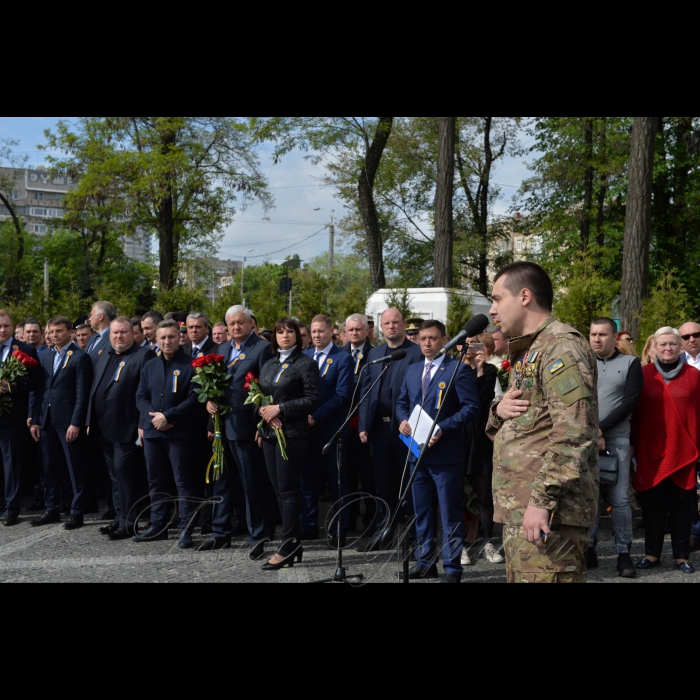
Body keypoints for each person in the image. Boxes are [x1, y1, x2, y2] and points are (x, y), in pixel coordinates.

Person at [486, 261, 599, 584]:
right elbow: (527, 422)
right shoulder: (530, 350)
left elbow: (575, 434)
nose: (493, 310)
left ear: (524, 296)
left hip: (550, 514)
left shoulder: (561, 346)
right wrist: (498, 411)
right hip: (523, 510)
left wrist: (541, 501)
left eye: (497, 299)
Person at [397, 320, 481, 583]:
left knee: (449, 513)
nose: (427, 344)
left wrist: (444, 427)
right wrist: (402, 421)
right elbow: (402, 402)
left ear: (444, 340)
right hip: (417, 454)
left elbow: (471, 407)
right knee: (422, 511)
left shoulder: (457, 369)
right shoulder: (412, 371)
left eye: (432, 338)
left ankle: (452, 568)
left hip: (445, 455)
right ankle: (425, 561)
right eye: (422, 339)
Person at [199, 306, 276, 559]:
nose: (235, 327)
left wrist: (261, 425)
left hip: (246, 427)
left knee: (251, 484)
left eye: (240, 323)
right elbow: (215, 386)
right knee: (221, 483)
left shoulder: (261, 348)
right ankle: (220, 533)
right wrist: (210, 404)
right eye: (231, 323)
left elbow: (266, 389)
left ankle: (258, 535)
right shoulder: (221, 349)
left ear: (251, 323)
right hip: (222, 427)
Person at [632, 327, 700, 575]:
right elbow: (635, 413)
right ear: (654, 348)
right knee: (653, 506)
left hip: (685, 450)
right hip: (651, 452)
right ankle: (651, 554)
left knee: (683, 506)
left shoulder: (694, 376)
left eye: (673, 344)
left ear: (680, 348)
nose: (668, 348)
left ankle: (682, 556)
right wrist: (632, 445)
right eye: (663, 345)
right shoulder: (642, 375)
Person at [256, 318, 322, 571]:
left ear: (297, 335)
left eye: (290, 331)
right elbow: (260, 395)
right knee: (278, 492)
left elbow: (313, 399)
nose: (285, 336)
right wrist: (263, 414)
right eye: (280, 332)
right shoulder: (270, 363)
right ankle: (292, 544)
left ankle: (289, 544)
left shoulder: (306, 363)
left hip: (292, 434)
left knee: (289, 491)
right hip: (270, 434)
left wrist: (281, 409)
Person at [358, 308, 423, 551]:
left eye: (396, 322)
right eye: (387, 323)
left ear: (404, 325)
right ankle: (383, 534)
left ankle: (416, 540)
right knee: (382, 486)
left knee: (410, 486)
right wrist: (363, 425)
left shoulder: (415, 353)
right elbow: (365, 391)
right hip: (379, 429)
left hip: (406, 429)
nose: (391, 327)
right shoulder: (375, 353)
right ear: (381, 327)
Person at [134, 320, 203, 550]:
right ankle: (158, 525)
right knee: (156, 481)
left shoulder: (191, 365)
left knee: (183, 481)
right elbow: (140, 396)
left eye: (171, 337)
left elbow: (194, 398)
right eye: (162, 338)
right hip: (154, 433)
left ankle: (186, 529)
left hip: (180, 434)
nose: (167, 341)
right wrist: (154, 418)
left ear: (179, 338)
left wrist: (169, 416)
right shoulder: (149, 366)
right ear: (156, 339)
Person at [86, 317, 155, 540]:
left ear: (133, 334)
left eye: (123, 332)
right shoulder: (105, 355)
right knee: (114, 475)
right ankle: (119, 516)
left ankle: (130, 522)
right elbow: (94, 389)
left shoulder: (143, 356)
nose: (118, 337)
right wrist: (88, 419)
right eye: (114, 333)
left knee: (125, 473)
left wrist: (143, 424)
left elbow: (147, 393)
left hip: (129, 427)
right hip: (104, 426)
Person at [587, 318, 643, 578]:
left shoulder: (630, 364)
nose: (597, 339)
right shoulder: (583, 363)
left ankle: (623, 553)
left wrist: (601, 428)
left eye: (603, 334)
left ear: (614, 337)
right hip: (585, 440)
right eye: (593, 334)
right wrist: (592, 430)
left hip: (617, 440)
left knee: (619, 500)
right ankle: (589, 549)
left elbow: (630, 401)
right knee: (590, 498)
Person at [30, 317, 93, 530]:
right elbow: (40, 390)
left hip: (67, 422)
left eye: (59, 331)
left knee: (74, 468)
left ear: (70, 332)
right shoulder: (46, 356)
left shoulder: (79, 357)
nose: (54, 335)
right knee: (48, 467)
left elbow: (82, 395)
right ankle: (52, 508)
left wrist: (76, 423)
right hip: (46, 421)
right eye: (51, 331)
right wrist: (36, 419)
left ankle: (77, 511)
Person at [303, 315, 353, 547]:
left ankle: (339, 529)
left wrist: (317, 416)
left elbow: (342, 395)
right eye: (313, 332)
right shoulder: (304, 356)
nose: (316, 336)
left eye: (320, 331)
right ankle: (309, 525)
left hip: (332, 430)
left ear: (331, 331)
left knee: (337, 482)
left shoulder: (342, 358)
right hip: (307, 430)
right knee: (308, 480)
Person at [461, 335, 504, 565]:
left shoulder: (489, 370)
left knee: (485, 495)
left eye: (475, 345)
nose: (470, 349)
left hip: (482, 438)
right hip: (460, 437)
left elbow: (483, 399)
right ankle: (459, 545)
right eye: (466, 345)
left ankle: (488, 541)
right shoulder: (454, 370)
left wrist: (478, 368)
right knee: (456, 495)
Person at [0, 311, 40, 526]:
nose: (2, 330)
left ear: (12, 326)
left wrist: (14, 386)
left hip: (11, 416)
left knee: (11, 464)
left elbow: (35, 383)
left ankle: (11, 508)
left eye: (6, 326)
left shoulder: (24, 350)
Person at [343, 313, 377, 533]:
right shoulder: (338, 355)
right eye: (351, 330)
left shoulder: (375, 355)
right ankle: (349, 518)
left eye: (358, 329)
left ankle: (372, 521)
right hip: (344, 425)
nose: (354, 333)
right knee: (347, 477)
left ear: (367, 331)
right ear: (346, 332)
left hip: (367, 426)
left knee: (369, 477)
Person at [86, 301, 117, 366]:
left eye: (91, 315)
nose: (89, 319)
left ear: (100, 317)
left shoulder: (114, 338)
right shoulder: (93, 338)